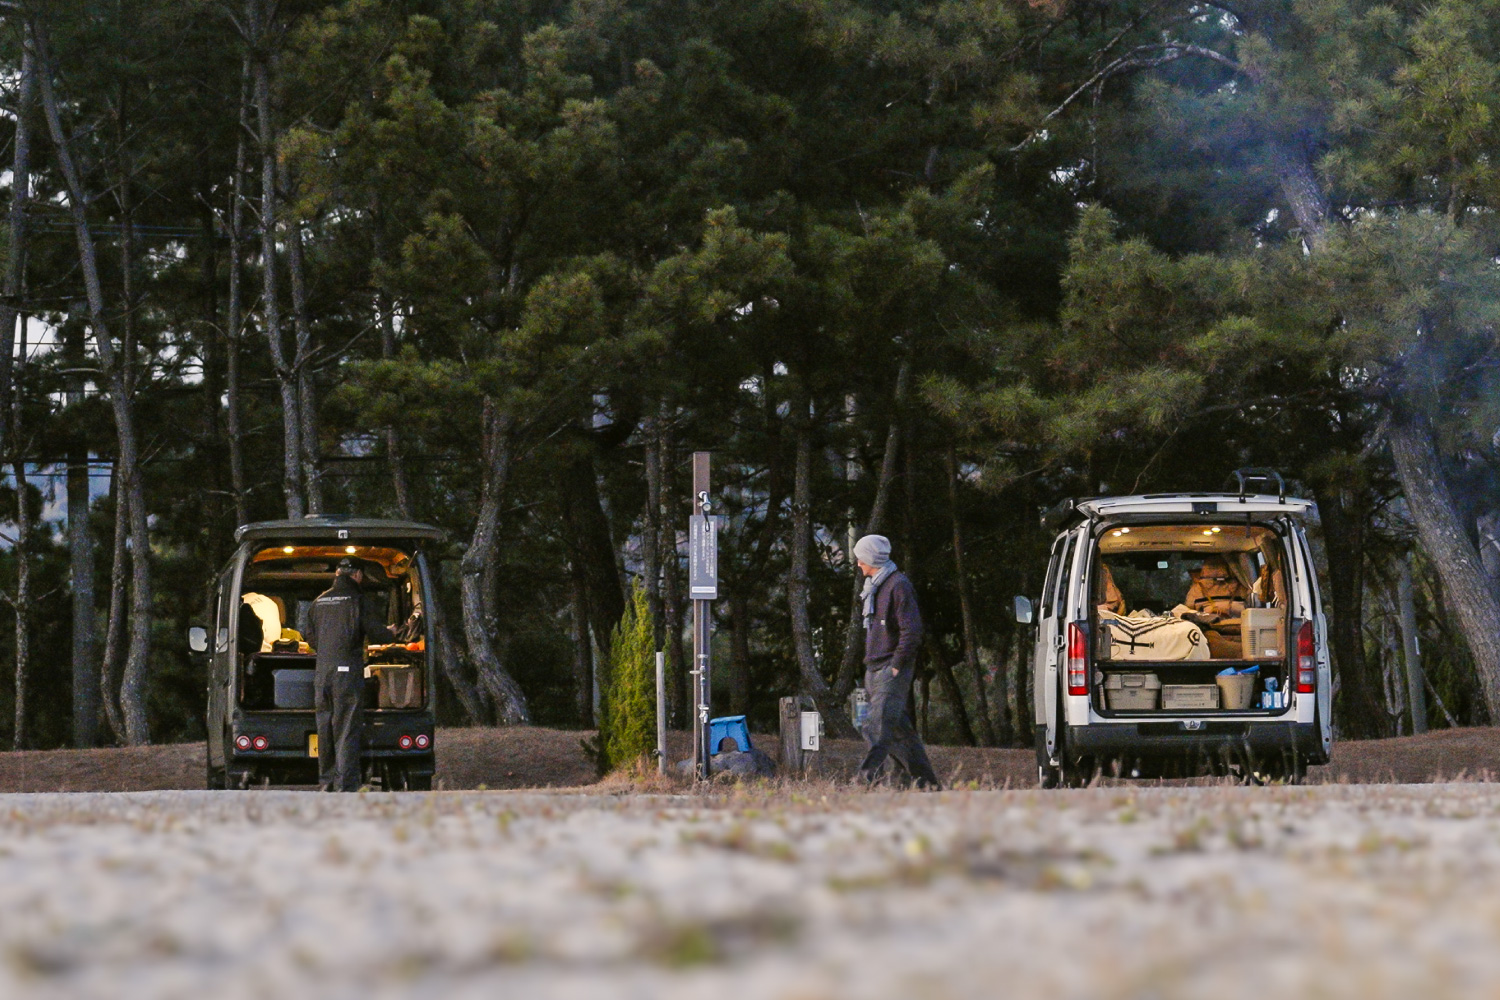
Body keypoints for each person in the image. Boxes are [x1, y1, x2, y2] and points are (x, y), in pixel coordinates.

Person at [305, 559, 411, 792]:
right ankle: (346, 785)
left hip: (322, 673)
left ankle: (327, 782)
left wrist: (326, 650)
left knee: (325, 728)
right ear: (358, 575)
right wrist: (390, 632)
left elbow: (309, 636)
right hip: (346, 673)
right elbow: (376, 633)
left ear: (338, 573)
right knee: (345, 728)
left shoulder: (319, 601)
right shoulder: (357, 600)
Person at [853, 534, 941, 790]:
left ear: (871, 558)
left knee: (875, 727)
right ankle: (927, 786)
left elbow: (911, 631)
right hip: (874, 668)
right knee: (901, 735)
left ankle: (865, 781)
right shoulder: (873, 588)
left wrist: (896, 664)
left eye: (861, 558)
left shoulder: (897, 585)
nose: (858, 563)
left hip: (890, 669)